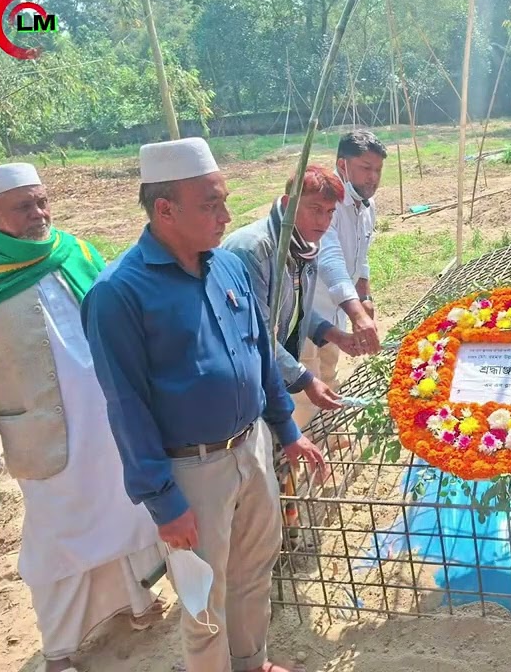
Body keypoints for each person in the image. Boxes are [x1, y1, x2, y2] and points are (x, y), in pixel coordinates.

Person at [79, 138, 328, 672]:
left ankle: (251, 662)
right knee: (203, 599)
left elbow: (260, 352)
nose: (226, 215)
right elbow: (126, 406)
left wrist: (287, 430)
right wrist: (164, 501)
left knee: (254, 570)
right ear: (165, 209)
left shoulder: (227, 267)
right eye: (210, 204)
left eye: (224, 200)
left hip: (251, 448)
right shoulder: (118, 294)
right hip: (192, 470)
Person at [0, 162, 165, 672]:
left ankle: (139, 604)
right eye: (23, 206)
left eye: (41, 201)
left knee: (129, 512)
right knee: (56, 543)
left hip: (109, 422)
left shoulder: (73, 250)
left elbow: (120, 320)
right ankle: (59, 650)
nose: (38, 214)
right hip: (44, 435)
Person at [221, 164, 364, 430]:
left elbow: (297, 309)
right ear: (288, 203)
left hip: (270, 367)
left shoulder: (306, 245)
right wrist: (306, 380)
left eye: (330, 212)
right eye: (315, 210)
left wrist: (336, 336)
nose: (324, 222)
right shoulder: (255, 251)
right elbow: (257, 333)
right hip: (243, 376)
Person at [298, 131, 387, 430]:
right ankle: (305, 450)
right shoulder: (325, 202)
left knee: (329, 371)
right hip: (307, 309)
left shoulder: (367, 206)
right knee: (305, 383)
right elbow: (330, 258)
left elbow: (360, 257)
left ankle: (327, 434)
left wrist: (365, 297)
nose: (373, 177)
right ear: (343, 165)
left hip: (337, 309)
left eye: (377, 169)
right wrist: (357, 313)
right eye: (365, 168)